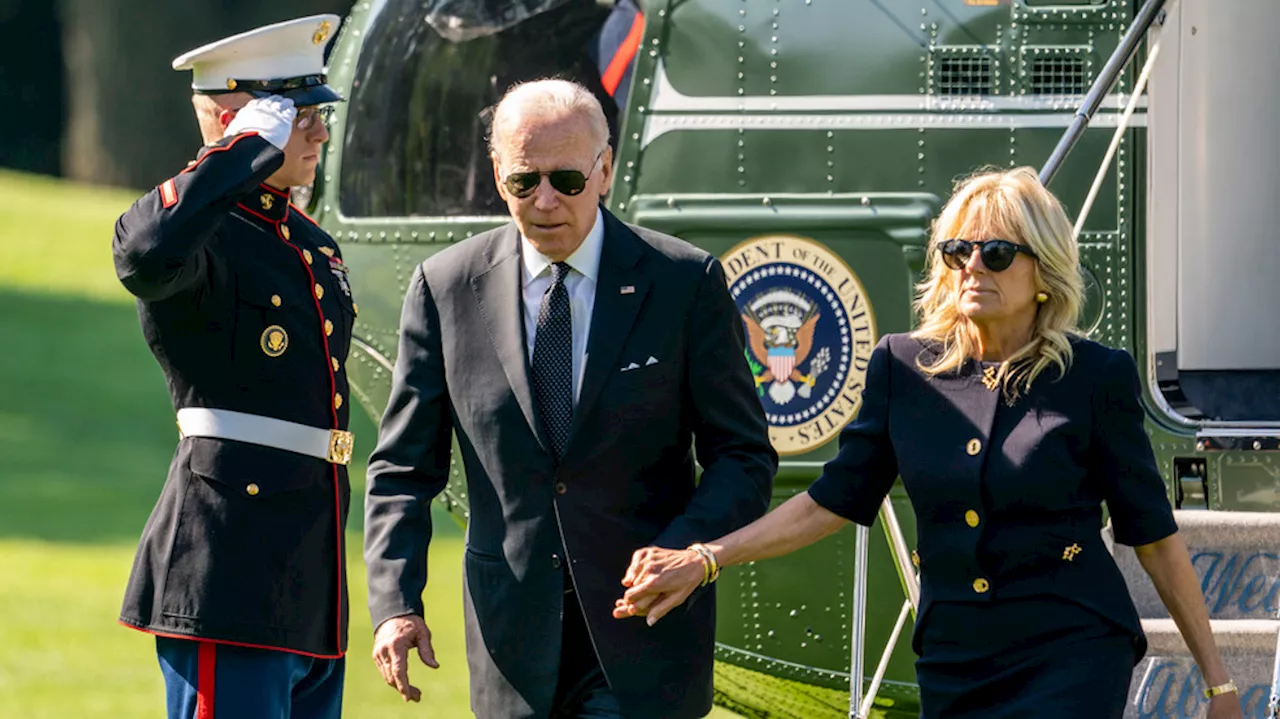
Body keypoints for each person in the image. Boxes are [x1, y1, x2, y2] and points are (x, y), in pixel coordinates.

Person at [612, 167, 1244, 719]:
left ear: (1044, 270)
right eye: (958, 250)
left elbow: (1153, 537)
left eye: (997, 252)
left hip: (1070, 648)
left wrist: (1217, 681)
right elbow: (833, 499)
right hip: (954, 656)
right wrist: (707, 557)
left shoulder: (1094, 377)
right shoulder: (903, 367)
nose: (973, 265)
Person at [363, 78, 778, 718]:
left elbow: (743, 456)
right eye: (525, 181)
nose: (546, 201)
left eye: (568, 180)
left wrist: (690, 553)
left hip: (643, 637)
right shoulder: (445, 288)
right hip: (511, 648)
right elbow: (402, 469)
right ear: (498, 174)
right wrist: (396, 603)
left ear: (605, 169)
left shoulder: (683, 282)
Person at [112, 15, 355, 719]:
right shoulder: (201, 237)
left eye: (316, 114)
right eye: (298, 115)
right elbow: (142, 253)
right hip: (230, 563)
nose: (318, 133)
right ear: (233, 120)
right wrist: (237, 150)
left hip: (308, 564)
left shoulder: (308, 244)